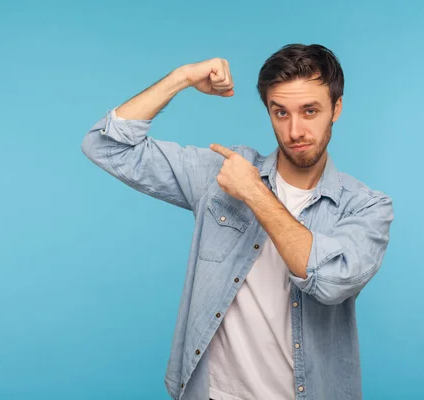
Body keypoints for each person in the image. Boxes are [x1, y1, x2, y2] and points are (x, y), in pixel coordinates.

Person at [81, 43, 394, 400]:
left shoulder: (366, 207)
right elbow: (105, 146)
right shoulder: (223, 174)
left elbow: (330, 282)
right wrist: (180, 77)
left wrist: (254, 193)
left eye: (310, 111)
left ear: (336, 108)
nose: (295, 131)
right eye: (280, 112)